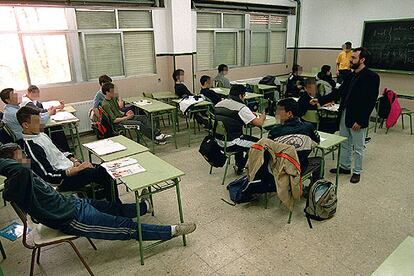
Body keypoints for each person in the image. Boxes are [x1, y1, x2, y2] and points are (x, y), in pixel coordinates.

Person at [0, 143, 196, 241]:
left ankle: (144, 207)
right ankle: (170, 232)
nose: (25, 157)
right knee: (125, 227)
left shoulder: (22, 175)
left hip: (72, 203)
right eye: (20, 156)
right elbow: (16, 170)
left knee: (111, 207)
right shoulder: (18, 179)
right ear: (9, 163)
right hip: (70, 218)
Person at [16, 106, 120, 203]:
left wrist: (74, 160)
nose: (41, 123)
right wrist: (76, 170)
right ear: (25, 125)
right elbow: (48, 177)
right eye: (37, 121)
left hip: (70, 168)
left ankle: (104, 200)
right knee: (106, 173)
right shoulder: (31, 148)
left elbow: (59, 150)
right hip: (63, 180)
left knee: (105, 169)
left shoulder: (40, 134)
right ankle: (116, 207)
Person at [330, 47, 380, 184]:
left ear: (362, 60)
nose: (350, 60)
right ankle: (345, 167)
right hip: (345, 113)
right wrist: (320, 99)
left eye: (353, 58)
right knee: (345, 143)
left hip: (358, 117)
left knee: (358, 147)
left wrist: (361, 120)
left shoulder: (372, 77)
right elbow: (339, 92)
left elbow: (370, 101)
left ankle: (357, 171)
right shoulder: (350, 75)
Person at [268, 98, 322, 184]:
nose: (276, 113)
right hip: (300, 167)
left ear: (289, 113)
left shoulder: (274, 131)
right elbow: (316, 143)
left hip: (279, 169)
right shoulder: (308, 127)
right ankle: (311, 189)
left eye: (279, 110)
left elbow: (269, 151)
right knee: (320, 160)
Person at [214, 85, 265, 174]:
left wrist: (248, 114)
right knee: (260, 144)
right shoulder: (241, 107)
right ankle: (243, 166)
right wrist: (263, 117)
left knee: (242, 137)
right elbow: (259, 123)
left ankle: (239, 165)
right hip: (231, 142)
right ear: (241, 95)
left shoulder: (219, 104)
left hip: (218, 140)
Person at [100, 82, 170, 144]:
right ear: (107, 92)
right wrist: (126, 117)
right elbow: (114, 120)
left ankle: (157, 134)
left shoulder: (113, 99)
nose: (114, 92)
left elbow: (118, 110)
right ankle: (155, 138)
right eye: (112, 91)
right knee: (139, 124)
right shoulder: (105, 104)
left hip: (123, 117)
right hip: (119, 123)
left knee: (143, 117)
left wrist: (126, 112)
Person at [20, 85, 70, 152]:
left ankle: (62, 150)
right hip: (33, 125)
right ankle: (63, 150)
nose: (36, 94)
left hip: (35, 122)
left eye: (38, 92)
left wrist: (55, 108)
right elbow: (38, 111)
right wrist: (52, 110)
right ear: (29, 92)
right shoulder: (26, 101)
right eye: (34, 92)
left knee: (57, 127)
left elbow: (40, 109)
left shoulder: (31, 100)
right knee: (57, 128)